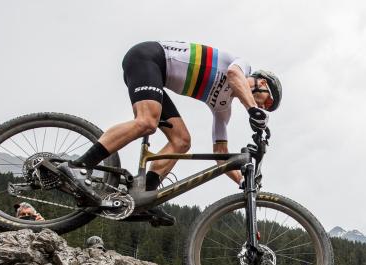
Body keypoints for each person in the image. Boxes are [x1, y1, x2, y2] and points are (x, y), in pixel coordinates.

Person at [53, 41, 282, 225]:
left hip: (157, 77)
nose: (264, 107)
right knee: (147, 121)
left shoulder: (223, 108)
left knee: (182, 141)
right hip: (148, 57)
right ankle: (78, 165)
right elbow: (233, 75)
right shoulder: (242, 66)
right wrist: (252, 109)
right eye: (268, 101)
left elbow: (219, 153)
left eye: (267, 108)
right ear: (262, 83)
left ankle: (144, 195)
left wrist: (241, 180)